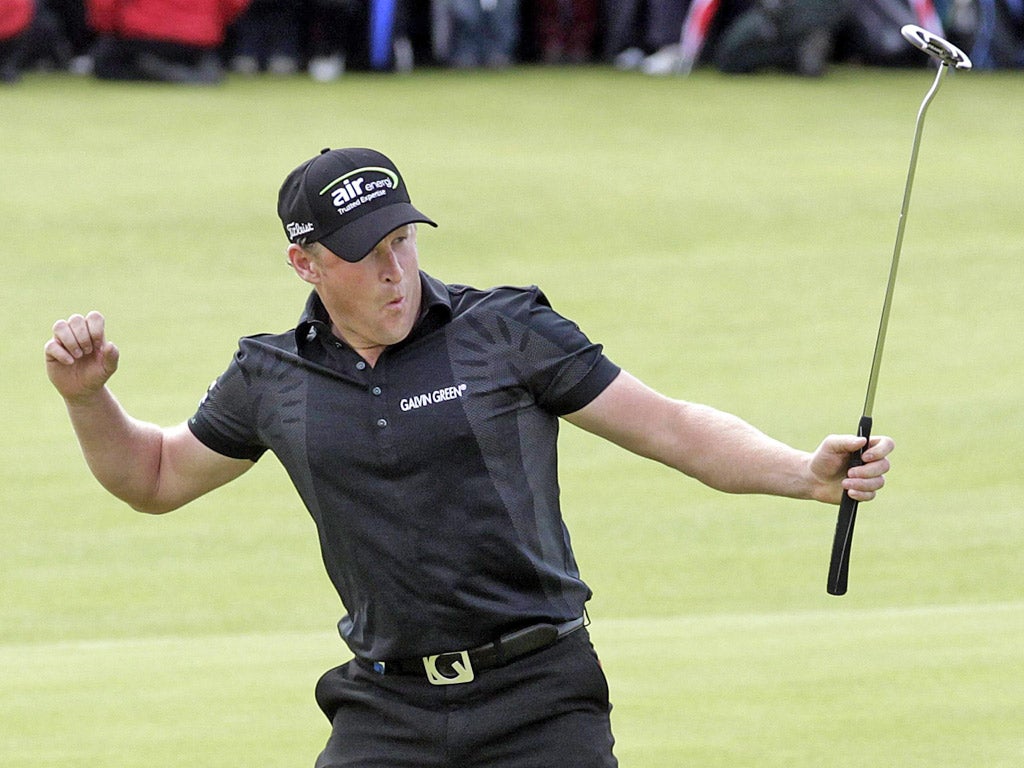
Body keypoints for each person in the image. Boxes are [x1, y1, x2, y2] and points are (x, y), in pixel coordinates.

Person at [45, 147, 894, 767]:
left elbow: (671, 426)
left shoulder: (505, 330)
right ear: (303, 263)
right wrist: (89, 399)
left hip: (539, 699)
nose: (395, 271)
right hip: (384, 707)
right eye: (365, 255)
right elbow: (152, 478)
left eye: (403, 241)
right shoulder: (272, 375)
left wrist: (802, 472)